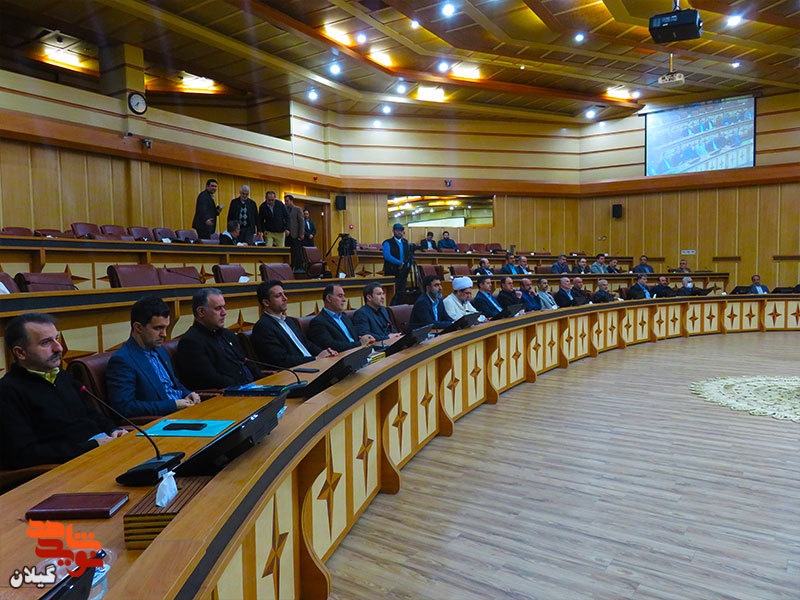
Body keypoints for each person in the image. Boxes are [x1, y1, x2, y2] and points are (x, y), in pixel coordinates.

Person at [0, 313, 126, 469]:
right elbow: (23, 454)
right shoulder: (7, 391)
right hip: (72, 466)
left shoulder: (62, 376)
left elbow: (92, 415)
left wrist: (113, 429)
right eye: (46, 343)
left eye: (56, 339)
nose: (58, 348)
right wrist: (92, 446)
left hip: (103, 450)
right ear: (20, 353)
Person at [106, 297, 200, 418]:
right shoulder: (122, 361)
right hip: (163, 420)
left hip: (185, 412)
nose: (164, 334)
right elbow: (125, 407)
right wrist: (173, 405)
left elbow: (173, 384)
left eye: (165, 327)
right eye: (158, 328)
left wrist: (187, 394)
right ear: (138, 327)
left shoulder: (160, 350)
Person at [175, 288, 260, 390]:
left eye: (224, 307)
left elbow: (247, 363)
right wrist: (244, 386)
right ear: (201, 312)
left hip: (253, 387)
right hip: (232, 393)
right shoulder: (191, 342)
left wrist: (265, 381)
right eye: (218, 308)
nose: (224, 313)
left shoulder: (228, 334)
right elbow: (211, 380)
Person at [251, 280, 336, 368]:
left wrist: (324, 353)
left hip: (313, 364)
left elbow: (306, 344)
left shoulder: (289, 321)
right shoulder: (263, 327)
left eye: (284, 294)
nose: (285, 298)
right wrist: (315, 359)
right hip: (298, 370)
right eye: (278, 296)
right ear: (266, 302)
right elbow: (281, 360)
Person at [309, 284, 375, 351]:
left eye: (343, 296)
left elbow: (355, 337)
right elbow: (331, 345)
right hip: (345, 355)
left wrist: (365, 339)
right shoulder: (318, 322)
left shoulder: (344, 317)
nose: (344, 299)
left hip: (360, 351)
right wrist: (359, 344)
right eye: (340, 296)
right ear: (329, 298)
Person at [382, 223, 411, 303]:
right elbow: (387, 256)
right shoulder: (387, 242)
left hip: (403, 272)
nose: (399, 232)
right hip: (391, 271)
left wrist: (407, 265)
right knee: (392, 294)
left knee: (402, 293)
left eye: (401, 230)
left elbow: (408, 255)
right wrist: (399, 263)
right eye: (397, 230)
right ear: (393, 231)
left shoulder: (405, 242)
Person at [284, 195, 305, 269]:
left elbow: (301, 222)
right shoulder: (284, 209)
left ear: (291, 201)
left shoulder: (297, 209)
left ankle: (297, 267)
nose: (286, 202)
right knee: (288, 251)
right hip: (287, 234)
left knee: (296, 251)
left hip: (295, 233)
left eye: (287, 201)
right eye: (285, 201)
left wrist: (301, 233)